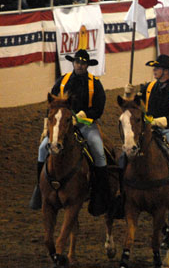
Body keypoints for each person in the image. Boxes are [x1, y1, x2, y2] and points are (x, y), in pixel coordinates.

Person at [29, 49, 109, 216]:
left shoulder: (95, 84)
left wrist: (83, 116)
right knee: (43, 148)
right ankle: (39, 188)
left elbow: (99, 109)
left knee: (98, 151)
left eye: (83, 63)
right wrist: (46, 127)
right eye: (77, 62)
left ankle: (101, 194)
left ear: (87, 65)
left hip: (86, 125)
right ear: (74, 63)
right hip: (62, 125)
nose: (80, 65)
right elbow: (51, 105)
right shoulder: (62, 81)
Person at [125, 55, 169, 215]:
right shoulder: (149, 87)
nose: (154, 71)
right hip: (146, 131)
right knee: (124, 155)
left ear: (166, 71)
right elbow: (132, 105)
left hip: (168, 130)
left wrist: (158, 121)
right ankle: (123, 192)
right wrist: (128, 94)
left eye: (156, 68)